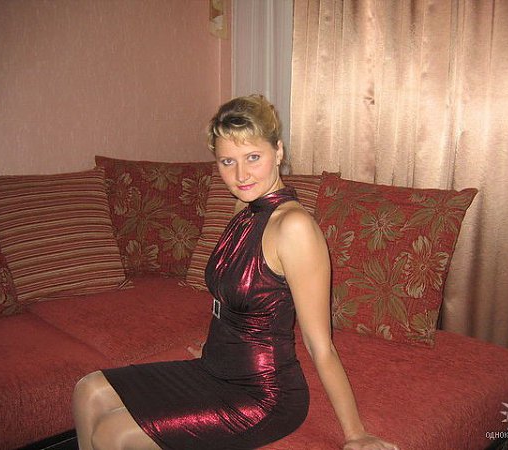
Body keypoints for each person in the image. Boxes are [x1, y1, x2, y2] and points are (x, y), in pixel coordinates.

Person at [72, 95, 399, 450]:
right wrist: (215, 348)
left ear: (278, 151)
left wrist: (356, 434)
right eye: (228, 161)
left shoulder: (294, 228)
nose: (241, 175)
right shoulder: (243, 207)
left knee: (113, 434)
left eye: (253, 157)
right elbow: (233, 299)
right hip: (215, 367)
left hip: (264, 395)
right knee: (88, 390)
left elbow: (320, 345)